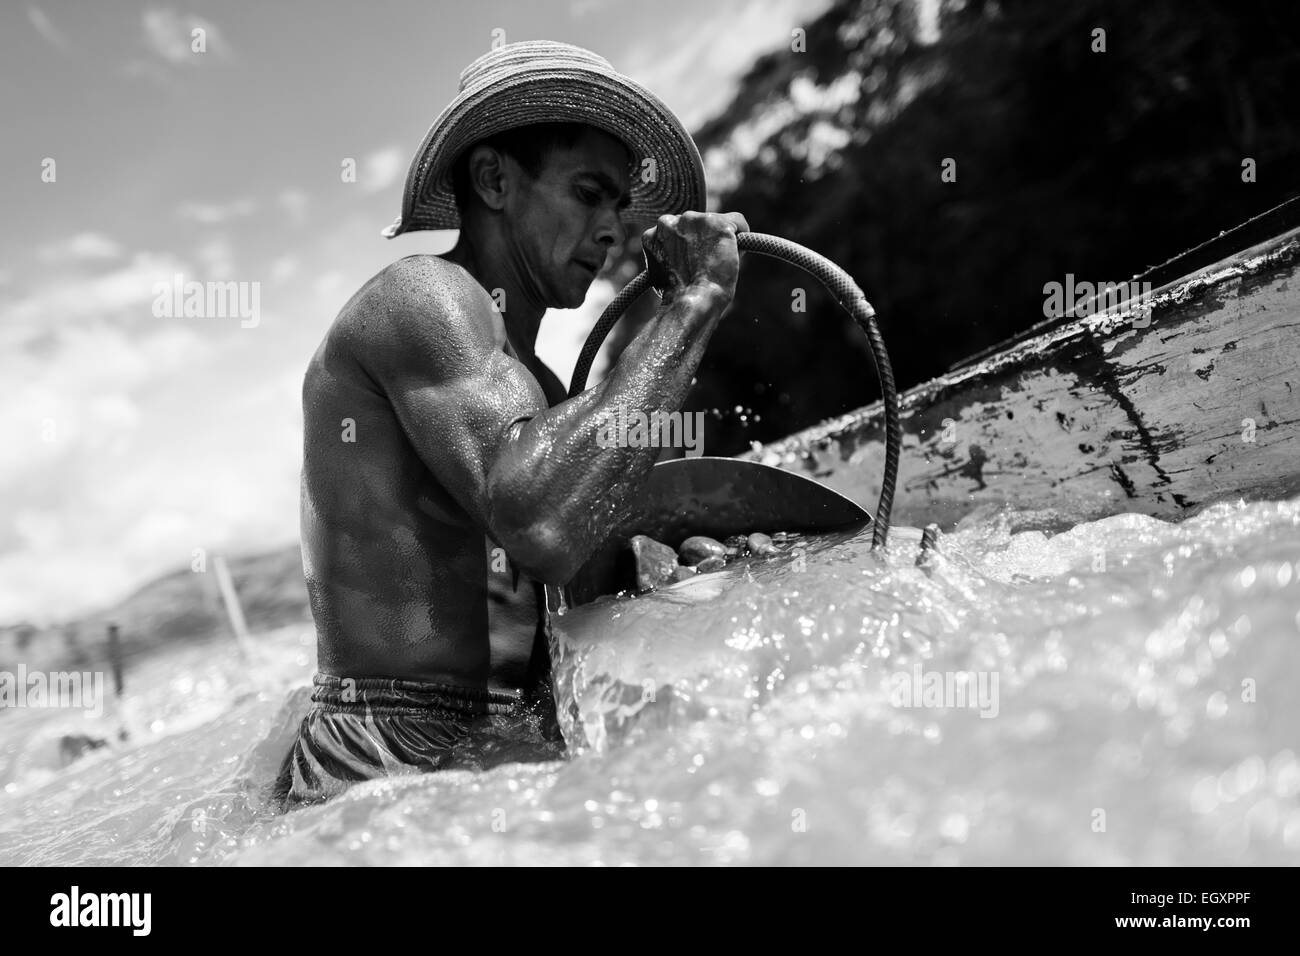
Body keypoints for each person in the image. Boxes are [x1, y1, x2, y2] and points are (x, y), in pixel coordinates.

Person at [276, 40, 748, 805]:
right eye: (590, 193)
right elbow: (540, 521)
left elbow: (574, 574)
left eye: (620, 206)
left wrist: (682, 564)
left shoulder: (542, 386)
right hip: (377, 758)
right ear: (494, 179)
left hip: (492, 737)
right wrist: (692, 307)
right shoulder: (421, 300)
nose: (614, 230)